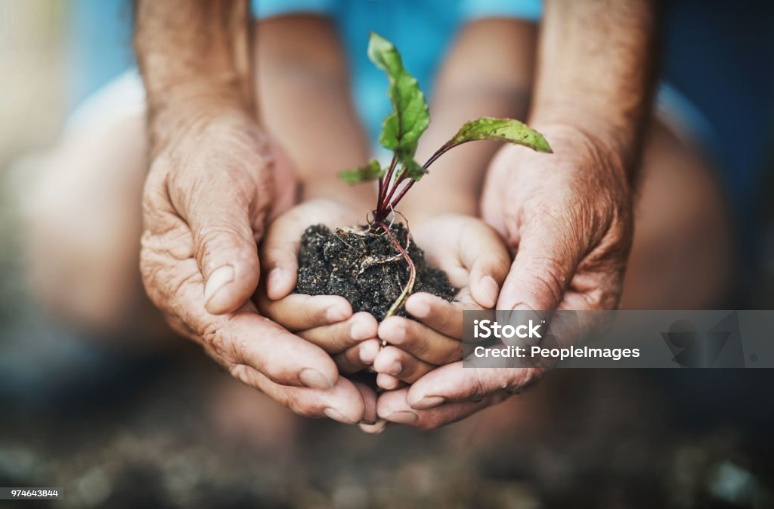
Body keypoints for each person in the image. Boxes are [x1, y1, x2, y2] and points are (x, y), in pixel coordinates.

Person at [24, 0, 736, 432]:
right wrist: (317, 204)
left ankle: (526, 367)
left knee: (680, 233)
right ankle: (238, 354)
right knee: (88, 237)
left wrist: (446, 206)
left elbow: (500, 62)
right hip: (266, 114)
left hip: (513, 120)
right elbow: (287, 56)